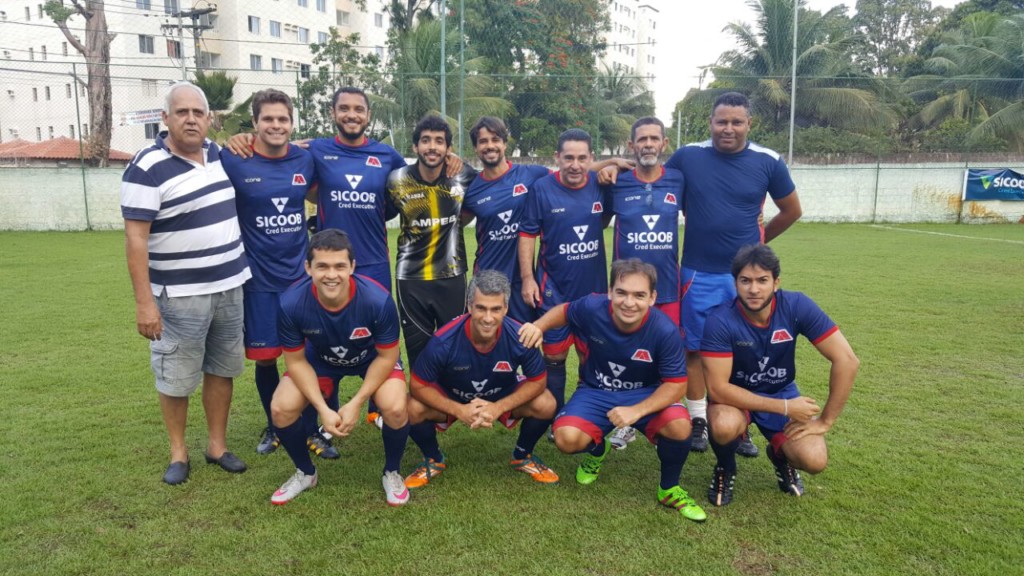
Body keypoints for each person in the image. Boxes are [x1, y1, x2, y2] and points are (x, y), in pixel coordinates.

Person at [121, 81, 251, 485]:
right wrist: (145, 304)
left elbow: (268, 146)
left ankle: (217, 445)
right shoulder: (145, 166)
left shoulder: (218, 153)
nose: (192, 119)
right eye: (183, 112)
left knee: (222, 369)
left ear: (210, 119)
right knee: (176, 377)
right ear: (166, 118)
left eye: (199, 113)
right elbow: (135, 238)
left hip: (230, 287)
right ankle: (179, 452)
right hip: (178, 297)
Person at [518, 259, 707, 522]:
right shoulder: (593, 307)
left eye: (639, 295)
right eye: (622, 293)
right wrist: (538, 326)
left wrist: (636, 411)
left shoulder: (665, 330)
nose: (629, 302)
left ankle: (669, 488)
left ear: (652, 298)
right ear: (610, 292)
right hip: (596, 390)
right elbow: (564, 311)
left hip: (645, 393)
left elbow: (676, 385)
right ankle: (598, 450)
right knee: (566, 440)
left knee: (679, 426)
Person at [701, 244, 858, 506]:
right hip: (735, 397)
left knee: (815, 460)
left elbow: (847, 360)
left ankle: (779, 455)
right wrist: (785, 407)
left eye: (762, 280)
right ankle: (725, 467)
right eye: (745, 281)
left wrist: (825, 421)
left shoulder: (796, 306)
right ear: (735, 283)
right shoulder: (720, 320)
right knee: (724, 424)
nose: (753, 289)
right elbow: (717, 389)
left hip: (780, 390)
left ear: (776, 282)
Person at [268, 229, 411, 506]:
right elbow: (295, 361)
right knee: (280, 408)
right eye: (322, 266)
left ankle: (392, 471)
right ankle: (306, 472)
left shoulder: (377, 300)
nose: (331, 274)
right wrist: (323, 408)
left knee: (394, 407)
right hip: (320, 360)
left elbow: (386, 356)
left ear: (352, 267)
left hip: (371, 359)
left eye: (339, 266)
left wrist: (357, 402)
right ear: (308, 267)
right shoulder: (290, 303)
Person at [220, 89, 317, 456]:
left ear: (292, 124)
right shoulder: (233, 158)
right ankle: (275, 425)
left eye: (282, 119)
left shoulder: (305, 160)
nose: (276, 125)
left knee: (309, 355)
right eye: (268, 119)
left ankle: (312, 429)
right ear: (255, 124)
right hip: (258, 280)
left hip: (300, 280)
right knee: (266, 358)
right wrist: (231, 138)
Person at [403, 270, 559, 488]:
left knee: (546, 403)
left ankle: (523, 456)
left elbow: (538, 381)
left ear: (505, 308)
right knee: (410, 407)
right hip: (453, 395)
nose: (488, 318)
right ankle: (433, 459)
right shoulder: (443, 341)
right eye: (481, 308)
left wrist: (498, 407)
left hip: (502, 393)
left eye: (496, 309)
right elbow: (418, 385)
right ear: (469, 306)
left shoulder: (521, 336)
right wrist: (459, 410)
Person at [604, 117, 684, 450]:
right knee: (624, 355)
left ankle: (664, 417)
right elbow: (593, 216)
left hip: (666, 289)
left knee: (668, 356)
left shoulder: (679, 180)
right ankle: (622, 421)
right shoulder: (616, 182)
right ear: (631, 145)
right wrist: (604, 165)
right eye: (642, 139)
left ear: (664, 144)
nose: (648, 144)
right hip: (626, 292)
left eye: (654, 139)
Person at [518, 128, 610, 416]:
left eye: (582, 158)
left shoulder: (601, 184)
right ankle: (557, 411)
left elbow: (605, 219)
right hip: (552, 289)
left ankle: (586, 410)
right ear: (557, 157)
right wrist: (527, 278)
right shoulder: (542, 189)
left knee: (591, 354)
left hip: (594, 292)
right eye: (568, 157)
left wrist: (616, 163)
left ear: (591, 158)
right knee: (554, 355)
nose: (575, 164)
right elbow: (527, 234)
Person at [386, 115, 477, 369]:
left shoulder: (464, 175)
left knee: (456, 350)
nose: (432, 147)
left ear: (449, 149)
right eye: (425, 140)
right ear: (415, 147)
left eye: (439, 141)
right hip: (411, 280)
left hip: (452, 277)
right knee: (419, 354)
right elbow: (379, 212)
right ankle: (422, 408)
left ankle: (453, 407)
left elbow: (485, 194)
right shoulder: (396, 180)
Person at [461, 117, 550, 323]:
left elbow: (571, 174)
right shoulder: (472, 189)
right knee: (485, 336)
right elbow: (456, 224)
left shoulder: (531, 175)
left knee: (523, 338)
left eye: (495, 139)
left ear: (504, 143)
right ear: (476, 148)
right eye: (483, 141)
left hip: (522, 280)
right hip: (487, 276)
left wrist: (610, 165)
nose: (490, 146)